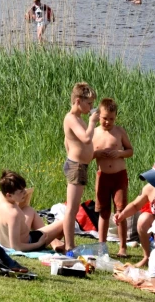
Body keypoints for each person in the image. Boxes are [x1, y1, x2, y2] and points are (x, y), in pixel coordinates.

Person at [92, 98, 134, 257]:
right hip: (102, 177)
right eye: (104, 118)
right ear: (98, 115)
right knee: (103, 212)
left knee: (121, 211)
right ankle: (102, 246)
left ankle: (123, 247)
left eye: (111, 119)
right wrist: (97, 154)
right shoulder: (94, 133)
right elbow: (87, 156)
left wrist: (120, 153)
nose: (107, 122)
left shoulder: (119, 132)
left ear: (115, 117)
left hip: (119, 177)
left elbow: (130, 150)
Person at [60, 82, 99, 254]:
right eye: (89, 103)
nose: (91, 107)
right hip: (76, 167)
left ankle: (68, 242)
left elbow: (67, 142)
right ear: (77, 101)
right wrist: (92, 122)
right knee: (72, 208)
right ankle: (69, 245)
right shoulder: (71, 118)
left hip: (79, 166)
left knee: (74, 207)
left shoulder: (78, 119)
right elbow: (85, 139)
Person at [0, 170, 66, 252]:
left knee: (29, 210)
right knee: (65, 221)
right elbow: (16, 247)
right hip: (28, 242)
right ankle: (67, 247)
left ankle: (54, 242)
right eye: (21, 191)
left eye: (24, 189)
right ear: (9, 195)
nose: (25, 192)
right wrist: (38, 244)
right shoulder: (13, 214)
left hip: (3, 240)